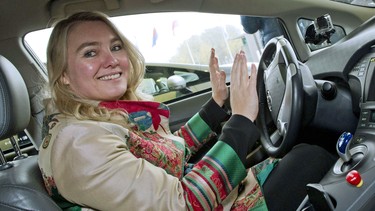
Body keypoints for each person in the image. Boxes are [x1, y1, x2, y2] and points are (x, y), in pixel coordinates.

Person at [38, 11, 335, 211]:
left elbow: (165, 155)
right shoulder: (80, 143)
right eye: (90, 53)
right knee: (315, 156)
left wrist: (214, 108)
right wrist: (241, 123)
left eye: (115, 47)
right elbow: (182, 204)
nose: (112, 59)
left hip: (220, 197)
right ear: (63, 74)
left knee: (304, 155)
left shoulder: (94, 121)